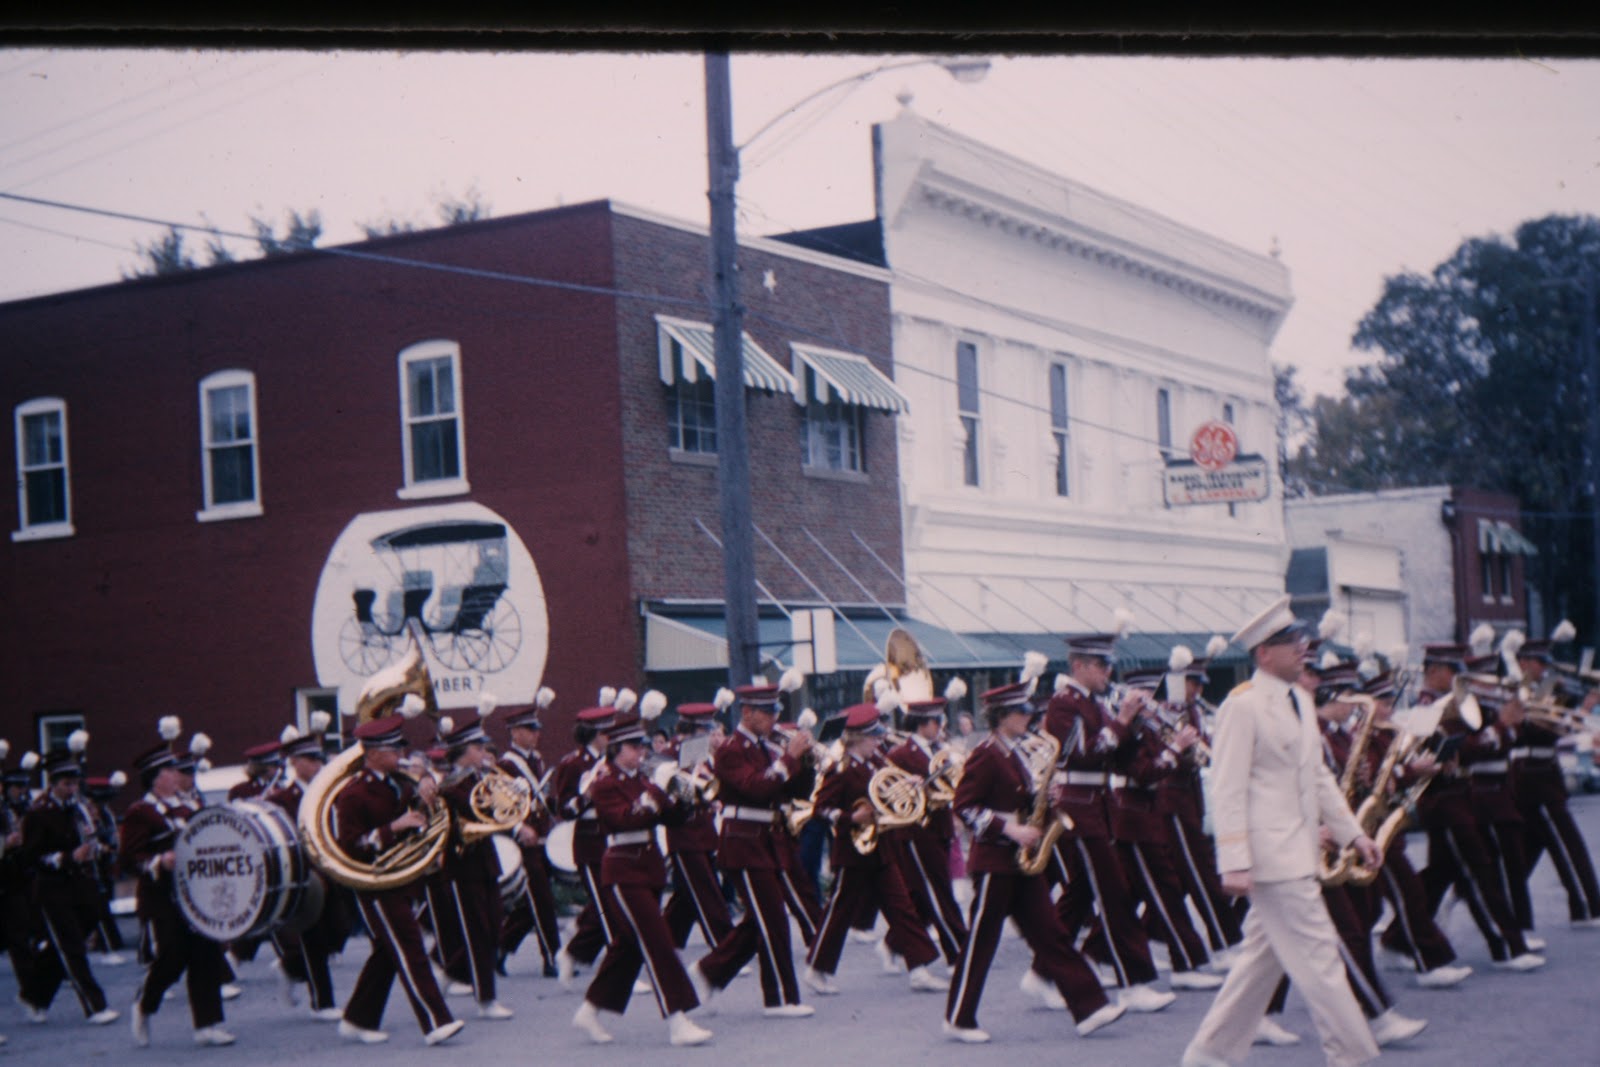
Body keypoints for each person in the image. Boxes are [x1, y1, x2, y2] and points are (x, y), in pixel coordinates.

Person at [1182, 594, 1382, 1067]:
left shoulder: (1300, 700)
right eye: (1291, 642)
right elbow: (1227, 788)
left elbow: (1318, 778)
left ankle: (1209, 1053)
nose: (1302, 649)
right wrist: (1233, 861)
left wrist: (1354, 834)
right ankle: (1351, 1054)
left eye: (1301, 640)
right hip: (1272, 859)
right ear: (1263, 654)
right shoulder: (1243, 706)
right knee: (1320, 961)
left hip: (1297, 853)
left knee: (1260, 962)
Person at [943, 681, 1124, 1043]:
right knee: (981, 941)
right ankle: (959, 1018)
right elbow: (963, 806)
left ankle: (1090, 1007)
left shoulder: (1020, 752)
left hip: (1021, 862)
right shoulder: (986, 753)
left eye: (1028, 712)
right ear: (1001, 717)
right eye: (1021, 713)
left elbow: (1024, 797)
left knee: (1051, 933)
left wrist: (1045, 797)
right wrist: (1010, 830)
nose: (1029, 718)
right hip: (995, 860)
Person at [1044, 634, 1175, 1012]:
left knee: (1078, 897)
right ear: (1079, 666)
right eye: (1101, 666)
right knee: (1114, 894)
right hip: (1078, 806)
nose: (1108, 673)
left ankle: (1042, 973)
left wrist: (1139, 727)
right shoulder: (1062, 704)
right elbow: (1082, 753)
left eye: (1108, 665)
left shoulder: (1093, 703)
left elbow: (1116, 757)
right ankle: (1133, 983)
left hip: (1098, 805)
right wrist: (1122, 720)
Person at [571, 711, 713, 1046]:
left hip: (647, 869)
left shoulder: (643, 781)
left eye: (642, 746)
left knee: (628, 948)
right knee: (658, 941)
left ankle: (590, 1009)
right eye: (634, 747)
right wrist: (651, 800)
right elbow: (623, 821)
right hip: (622, 870)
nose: (642, 752)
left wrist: (688, 794)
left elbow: (675, 819)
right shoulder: (604, 785)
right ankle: (678, 1019)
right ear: (617, 749)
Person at [334, 713, 463, 1047]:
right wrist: (392, 827)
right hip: (374, 883)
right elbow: (348, 845)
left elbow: (419, 818)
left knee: (387, 952)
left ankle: (357, 1019)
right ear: (373, 753)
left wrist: (426, 797)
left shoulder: (401, 784)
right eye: (393, 750)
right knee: (410, 947)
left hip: (402, 880)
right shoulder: (353, 793)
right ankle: (436, 1022)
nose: (400, 755)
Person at [689, 684, 818, 1016]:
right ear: (747, 713)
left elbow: (794, 790)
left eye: (776, 711)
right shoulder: (732, 749)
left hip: (766, 839)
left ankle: (709, 972)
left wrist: (805, 762)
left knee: (760, 920)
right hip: (743, 840)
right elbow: (756, 788)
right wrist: (788, 757)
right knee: (773, 919)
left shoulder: (765, 746)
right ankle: (779, 999)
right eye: (768, 712)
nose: (775, 718)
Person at [803, 703, 944, 996]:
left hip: (880, 848)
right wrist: (849, 818)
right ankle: (816, 969)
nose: (878, 742)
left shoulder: (876, 762)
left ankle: (919, 969)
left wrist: (911, 783)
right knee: (839, 912)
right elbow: (821, 809)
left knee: (902, 908)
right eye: (872, 737)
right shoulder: (840, 769)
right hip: (853, 851)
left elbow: (888, 790)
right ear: (855, 738)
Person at [121, 739, 234, 1047]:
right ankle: (144, 1004)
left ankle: (208, 1025)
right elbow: (129, 859)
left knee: (206, 955)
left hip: (194, 895)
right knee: (171, 957)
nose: (176, 775)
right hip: (161, 900)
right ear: (156, 778)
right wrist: (159, 860)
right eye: (169, 770)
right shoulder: (140, 813)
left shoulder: (187, 807)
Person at [17, 750, 120, 1026]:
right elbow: (30, 857)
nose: (71, 788)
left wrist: (97, 849)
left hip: (81, 884)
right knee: (72, 946)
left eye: (74, 783)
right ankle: (95, 1005)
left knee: (63, 945)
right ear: (53, 783)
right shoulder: (39, 813)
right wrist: (65, 857)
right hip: (53, 887)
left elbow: (90, 836)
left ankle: (34, 996)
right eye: (66, 783)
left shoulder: (81, 808)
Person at [1511, 633, 1600, 928]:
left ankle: (1503, 903)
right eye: (1539, 663)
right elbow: (1544, 730)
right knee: (1567, 841)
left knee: (1529, 846)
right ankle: (1587, 907)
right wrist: (1584, 710)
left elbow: (1560, 726)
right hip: (1533, 775)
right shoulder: (1517, 692)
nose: (1545, 669)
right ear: (1523, 663)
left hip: (1542, 771)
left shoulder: (1548, 688)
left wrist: (1579, 704)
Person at [263, 730, 343, 1020]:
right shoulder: (283, 798)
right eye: (311, 759)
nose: (318, 765)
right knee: (314, 937)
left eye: (319, 759)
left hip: (334, 870)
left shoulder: (328, 791)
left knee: (339, 930)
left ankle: (290, 966)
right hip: (307, 876)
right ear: (295, 763)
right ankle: (322, 1003)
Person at [885, 697, 969, 968]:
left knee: (922, 897)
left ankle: (894, 943)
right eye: (937, 722)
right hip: (917, 832)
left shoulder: (941, 750)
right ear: (924, 724)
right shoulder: (900, 754)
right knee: (938, 891)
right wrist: (911, 786)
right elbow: (889, 793)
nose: (941, 727)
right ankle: (959, 951)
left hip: (940, 826)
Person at [496, 693, 563, 977]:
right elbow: (500, 807)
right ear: (515, 732)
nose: (536, 735)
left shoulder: (536, 761)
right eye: (530, 730)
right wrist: (517, 828)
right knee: (543, 899)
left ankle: (498, 949)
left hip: (541, 838)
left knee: (530, 903)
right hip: (522, 841)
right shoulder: (505, 766)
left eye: (536, 730)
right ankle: (552, 957)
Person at [551, 705, 616, 989]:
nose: (610, 738)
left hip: (611, 837)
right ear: (594, 735)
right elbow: (564, 810)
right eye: (606, 733)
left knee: (613, 904)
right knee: (608, 909)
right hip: (589, 841)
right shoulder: (573, 765)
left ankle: (573, 952)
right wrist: (588, 794)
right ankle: (616, 966)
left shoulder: (610, 760)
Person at [661, 702, 735, 953]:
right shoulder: (671, 755)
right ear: (690, 731)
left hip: (705, 832)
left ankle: (666, 941)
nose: (709, 735)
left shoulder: (703, 757)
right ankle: (725, 945)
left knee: (686, 896)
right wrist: (703, 796)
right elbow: (668, 787)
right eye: (704, 729)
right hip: (684, 832)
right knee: (707, 890)